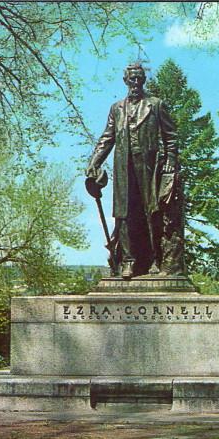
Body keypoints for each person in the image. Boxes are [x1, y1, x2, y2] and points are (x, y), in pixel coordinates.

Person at [86, 63, 185, 279]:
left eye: (139, 78)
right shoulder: (116, 108)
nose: (136, 83)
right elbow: (107, 137)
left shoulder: (156, 105)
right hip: (124, 167)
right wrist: (94, 162)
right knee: (123, 214)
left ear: (144, 80)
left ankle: (155, 260)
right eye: (132, 79)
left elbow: (171, 137)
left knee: (153, 213)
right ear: (126, 81)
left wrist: (170, 160)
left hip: (149, 168)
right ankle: (128, 262)